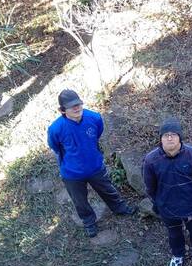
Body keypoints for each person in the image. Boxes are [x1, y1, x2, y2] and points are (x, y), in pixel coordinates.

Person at [47, 89, 136, 238]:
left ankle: (119, 208)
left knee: (107, 189)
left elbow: (98, 134)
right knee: (79, 201)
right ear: (62, 110)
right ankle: (89, 222)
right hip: (72, 173)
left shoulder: (94, 118)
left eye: (78, 104)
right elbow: (55, 146)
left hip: (95, 166)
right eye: (71, 106)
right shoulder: (56, 128)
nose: (77, 108)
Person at [143, 118, 192, 266]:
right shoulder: (151, 160)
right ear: (160, 139)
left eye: (173, 134)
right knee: (174, 233)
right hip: (167, 206)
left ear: (180, 137)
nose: (169, 138)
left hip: (191, 205)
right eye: (165, 135)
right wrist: (159, 203)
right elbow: (149, 186)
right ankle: (178, 254)